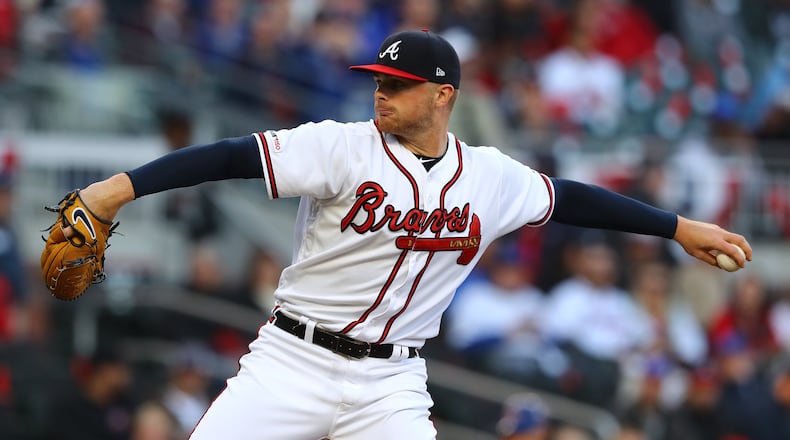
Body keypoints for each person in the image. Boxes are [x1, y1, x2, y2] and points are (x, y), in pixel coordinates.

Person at [60, 29, 751, 439]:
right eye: (378, 80)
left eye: (399, 83)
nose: (381, 92)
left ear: (443, 96)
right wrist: (117, 189)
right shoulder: (342, 146)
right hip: (292, 360)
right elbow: (234, 155)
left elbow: (568, 198)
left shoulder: (490, 175)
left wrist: (677, 227)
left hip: (390, 381)